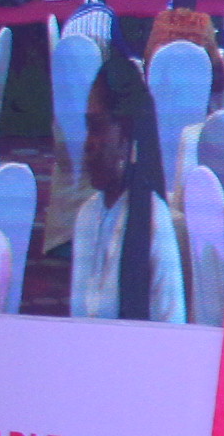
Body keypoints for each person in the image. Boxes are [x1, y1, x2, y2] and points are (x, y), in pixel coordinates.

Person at [70, 47, 181, 321]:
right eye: (88, 128)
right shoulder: (87, 216)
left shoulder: (153, 221)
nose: (88, 145)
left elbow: (173, 332)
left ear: (126, 136)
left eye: (98, 128)